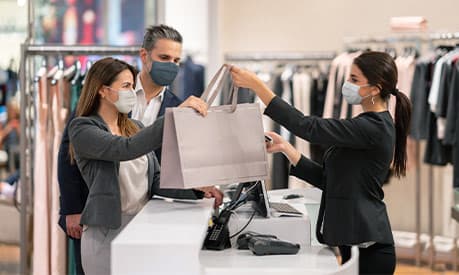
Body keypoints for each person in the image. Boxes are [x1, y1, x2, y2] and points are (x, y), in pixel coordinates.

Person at [57, 24, 223, 275]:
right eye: (124, 86)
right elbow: (124, 149)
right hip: (105, 228)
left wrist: (197, 189)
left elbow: (156, 178)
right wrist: (71, 208)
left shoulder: (134, 125)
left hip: (143, 225)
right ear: (103, 90)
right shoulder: (83, 126)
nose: (172, 65)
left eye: (177, 60)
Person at [230, 51, 412, 274]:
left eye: (354, 80)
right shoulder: (366, 124)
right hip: (355, 243)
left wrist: (259, 87)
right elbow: (330, 181)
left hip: (371, 249)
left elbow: (308, 127)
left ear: (375, 88)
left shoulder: (373, 127)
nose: (347, 84)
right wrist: (286, 149)